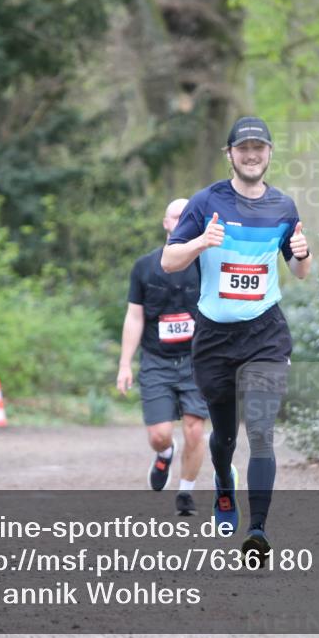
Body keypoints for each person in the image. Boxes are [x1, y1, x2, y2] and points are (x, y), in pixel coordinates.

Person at [162, 116, 311, 558]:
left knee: (261, 431)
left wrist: (302, 257)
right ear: (230, 154)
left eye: (259, 148)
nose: (251, 155)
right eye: (243, 148)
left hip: (265, 333)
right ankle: (224, 480)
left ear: (269, 154)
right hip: (214, 338)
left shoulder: (283, 207)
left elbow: (299, 270)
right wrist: (200, 243)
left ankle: (258, 530)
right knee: (224, 437)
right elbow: (170, 260)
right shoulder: (207, 201)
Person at [117, 198, 209, 516]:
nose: (181, 220)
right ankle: (165, 454)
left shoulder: (207, 263)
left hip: (197, 360)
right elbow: (134, 318)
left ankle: (186, 492)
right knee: (160, 434)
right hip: (156, 360)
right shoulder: (144, 267)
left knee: (196, 429)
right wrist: (124, 364)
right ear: (166, 223)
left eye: (188, 217)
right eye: (175, 216)